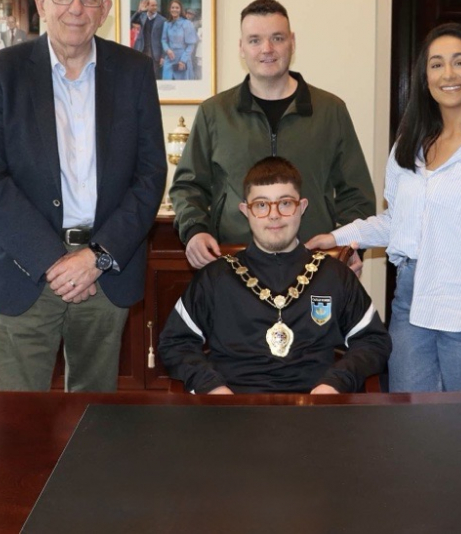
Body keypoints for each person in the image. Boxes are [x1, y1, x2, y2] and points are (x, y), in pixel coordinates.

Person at [0, 0, 166, 392]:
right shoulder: (2, 73)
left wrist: (95, 257)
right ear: (41, 2)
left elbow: (150, 176)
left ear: (105, 9)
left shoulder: (134, 72)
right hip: (24, 272)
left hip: (105, 273)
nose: (75, 7)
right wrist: (55, 262)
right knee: (14, 425)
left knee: (95, 422)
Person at [308, 23, 461, 393]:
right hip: (410, 303)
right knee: (408, 422)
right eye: (436, 65)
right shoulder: (410, 144)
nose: (448, 74)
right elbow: (398, 223)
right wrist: (338, 236)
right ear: (425, 77)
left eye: (459, 62)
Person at [169, 0, 375, 270]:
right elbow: (187, 187)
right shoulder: (214, 113)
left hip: (315, 264)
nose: (266, 49)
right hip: (234, 264)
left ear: (292, 41)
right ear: (241, 48)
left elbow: (357, 194)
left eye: (277, 38)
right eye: (254, 40)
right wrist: (194, 230)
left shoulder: (330, 110)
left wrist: (349, 248)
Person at [159, 157, 391, 394]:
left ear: (301, 207)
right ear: (245, 211)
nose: (274, 215)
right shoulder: (215, 278)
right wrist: (210, 386)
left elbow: (374, 341)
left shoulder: (335, 275)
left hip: (316, 409)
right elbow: (175, 343)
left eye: (285, 203)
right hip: (232, 410)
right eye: (261, 205)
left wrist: (336, 383)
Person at [160, 0, 197, 80]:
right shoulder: (166, 24)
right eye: (172, 7)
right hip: (169, 59)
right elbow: (164, 40)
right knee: (167, 87)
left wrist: (183, 60)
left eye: (177, 8)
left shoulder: (187, 24)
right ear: (169, 9)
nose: (174, 9)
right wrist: (167, 50)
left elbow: (191, 45)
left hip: (182, 59)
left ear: (180, 10)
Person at [132, 0, 165, 78]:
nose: (155, 7)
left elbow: (164, 39)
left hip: (155, 53)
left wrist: (163, 56)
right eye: (152, 5)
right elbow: (131, 22)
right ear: (147, 6)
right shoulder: (142, 16)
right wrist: (139, 11)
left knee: (153, 77)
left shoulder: (162, 20)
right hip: (141, 50)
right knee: (140, 75)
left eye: (156, 5)